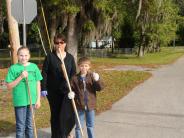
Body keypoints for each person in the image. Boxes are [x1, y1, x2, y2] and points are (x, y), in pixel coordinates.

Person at [41, 33, 76, 138]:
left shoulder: (70, 58)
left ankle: (65, 133)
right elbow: (44, 73)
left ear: (65, 44)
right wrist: (43, 88)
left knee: (66, 115)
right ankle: (56, 135)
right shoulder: (50, 57)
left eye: (61, 42)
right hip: (53, 92)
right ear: (54, 44)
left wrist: (73, 90)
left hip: (66, 91)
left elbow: (73, 74)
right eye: (57, 43)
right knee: (55, 114)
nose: (59, 45)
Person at [5, 47, 43, 138]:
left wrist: (38, 100)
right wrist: (21, 77)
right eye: (21, 55)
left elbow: (38, 83)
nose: (23, 57)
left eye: (26, 55)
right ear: (17, 56)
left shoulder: (34, 67)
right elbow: (9, 86)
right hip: (20, 101)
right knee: (20, 126)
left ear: (29, 56)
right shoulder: (13, 68)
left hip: (32, 100)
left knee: (30, 125)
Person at [68, 57, 104, 138]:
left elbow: (100, 88)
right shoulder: (74, 78)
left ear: (89, 66)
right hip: (79, 105)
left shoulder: (92, 76)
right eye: (81, 66)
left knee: (90, 125)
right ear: (78, 66)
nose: (84, 68)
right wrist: (71, 93)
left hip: (90, 106)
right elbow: (71, 89)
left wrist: (97, 80)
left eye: (86, 66)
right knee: (78, 126)